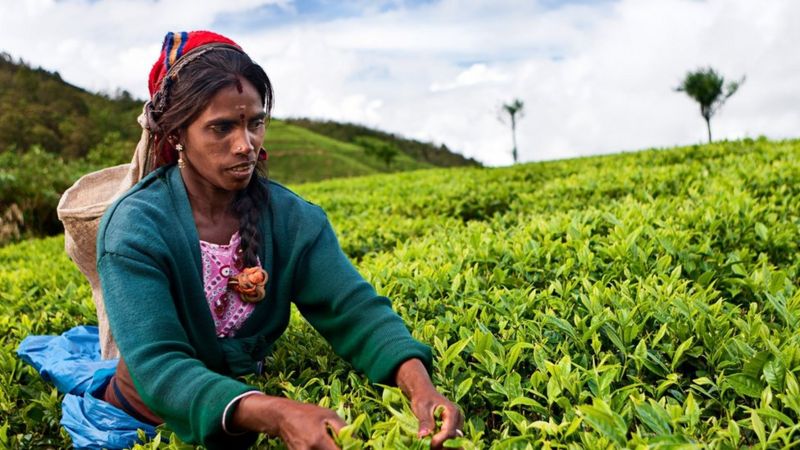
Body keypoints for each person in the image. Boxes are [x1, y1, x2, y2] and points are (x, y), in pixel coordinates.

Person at [96, 30, 464, 450]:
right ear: (178, 133)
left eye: (255, 123)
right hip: (147, 424)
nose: (245, 144)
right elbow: (161, 368)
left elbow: (355, 310)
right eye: (221, 128)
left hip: (245, 412)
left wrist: (421, 389)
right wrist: (279, 413)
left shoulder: (291, 219)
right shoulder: (135, 228)